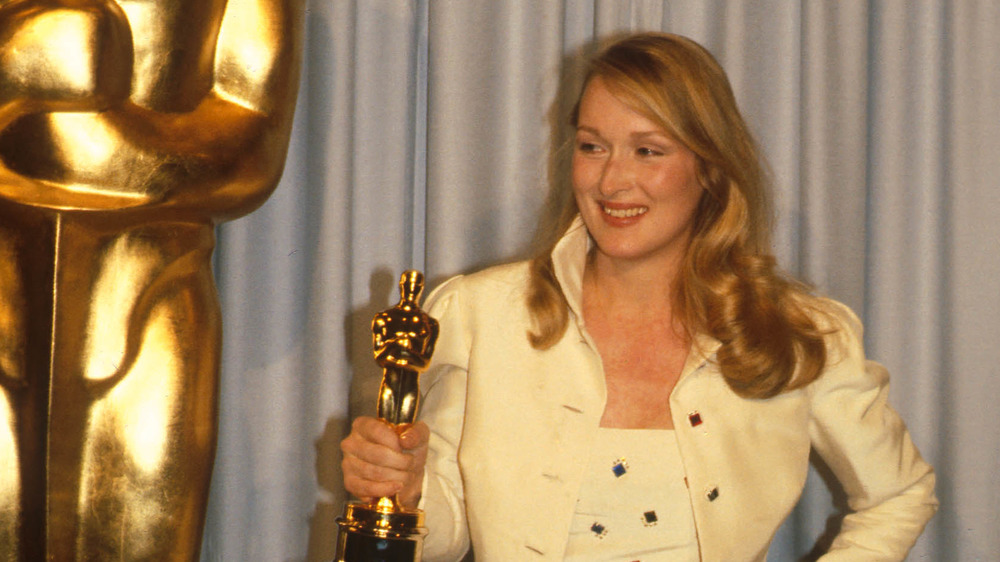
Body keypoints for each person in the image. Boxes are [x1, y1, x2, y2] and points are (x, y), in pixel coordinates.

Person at [340, 32, 937, 561]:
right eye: (592, 146)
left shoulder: (802, 334)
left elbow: (900, 494)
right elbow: (446, 535)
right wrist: (409, 491)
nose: (610, 180)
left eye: (648, 150)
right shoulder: (478, 313)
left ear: (708, 168)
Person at [0, 0, 300, 558]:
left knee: (139, 522)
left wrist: (86, 152)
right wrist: (18, 57)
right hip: (8, 281)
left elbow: (252, 146)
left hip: (150, 281)